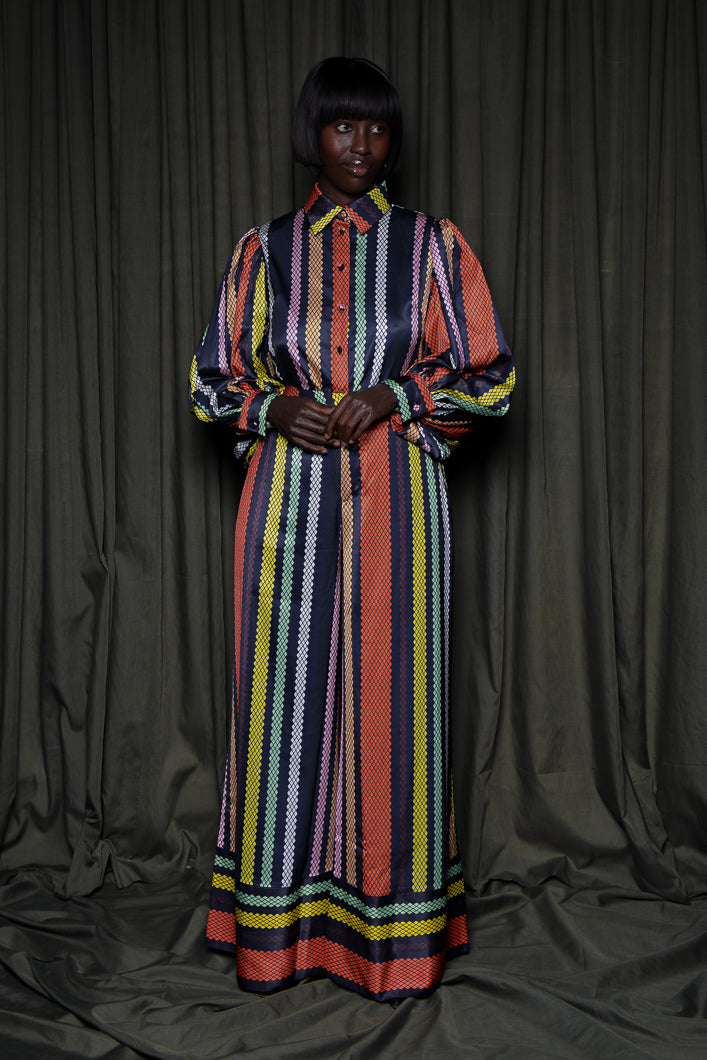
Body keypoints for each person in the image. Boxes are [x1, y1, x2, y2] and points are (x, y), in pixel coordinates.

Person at [189, 56, 514, 1003]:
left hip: (397, 497)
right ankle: (275, 936)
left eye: (375, 127)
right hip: (285, 501)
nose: (360, 144)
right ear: (313, 135)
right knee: (283, 704)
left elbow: (489, 376)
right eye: (342, 126)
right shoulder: (264, 251)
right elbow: (213, 380)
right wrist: (274, 409)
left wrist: (391, 396)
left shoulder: (433, 246)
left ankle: (393, 938)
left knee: (393, 701)